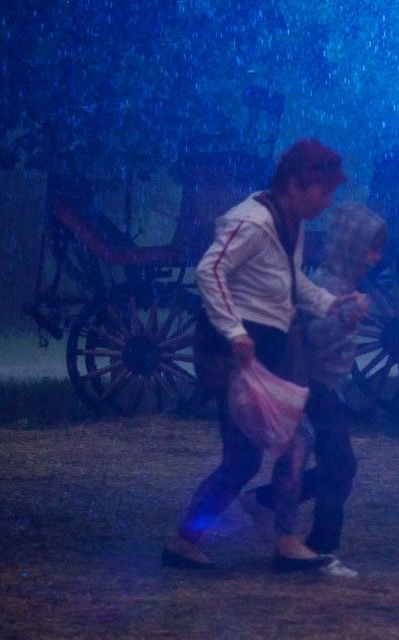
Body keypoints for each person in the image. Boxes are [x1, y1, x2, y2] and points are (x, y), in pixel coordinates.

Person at [162, 138, 362, 572]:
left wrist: (332, 304)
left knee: (250, 457)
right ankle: (282, 542)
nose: (327, 201)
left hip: (260, 352)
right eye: (323, 190)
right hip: (232, 355)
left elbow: (291, 281)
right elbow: (209, 271)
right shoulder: (252, 222)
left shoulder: (290, 222)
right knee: (286, 442)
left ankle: (187, 540)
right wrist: (234, 330)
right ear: (295, 183)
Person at [240, 201, 387, 579]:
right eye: (371, 249)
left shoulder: (340, 284)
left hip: (326, 388)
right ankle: (321, 547)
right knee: (339, 466)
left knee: (337, 466)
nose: (376, 257)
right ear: (352, 246)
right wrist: (346, 319)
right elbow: (313, 338)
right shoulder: (327, 287)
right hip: (315, 387)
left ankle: (266, 500)